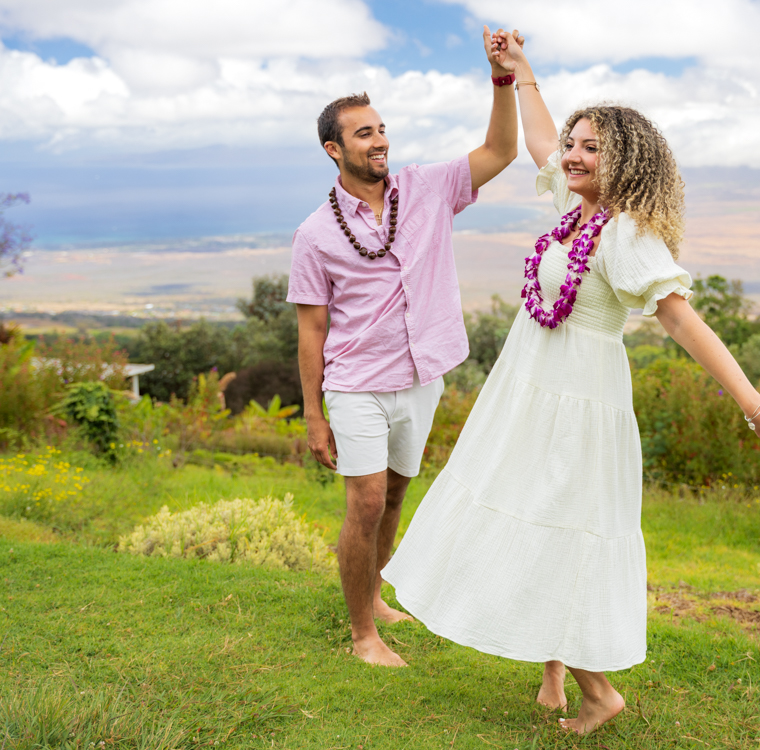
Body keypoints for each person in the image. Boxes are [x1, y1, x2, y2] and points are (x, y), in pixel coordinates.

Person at [381, 33, 760, 733]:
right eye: (576, 144)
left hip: (577, 402)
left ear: (627, 164)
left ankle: (598, 690)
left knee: (551, 525)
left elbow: (680, 321)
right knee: (528, 512)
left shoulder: (625, 235)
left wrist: (752, 401)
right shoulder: (573, 212)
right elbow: (540, 144)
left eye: (593, 148)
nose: (574, 155)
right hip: (529, 388)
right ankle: (554, 674)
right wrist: (519, 72)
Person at [287, 26, 522, 668]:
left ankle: (376, 592)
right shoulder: (314, 235)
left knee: (393, 493)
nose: (380, 140)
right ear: (333, 149)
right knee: (363, 499)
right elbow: (311, 330)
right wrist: (313, 415)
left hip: (422, 378)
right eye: (364, 133)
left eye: (382, 128)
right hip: (356, 382)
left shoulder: (427, 189)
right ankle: (363, 632)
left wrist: (502, 76)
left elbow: (502, 148)